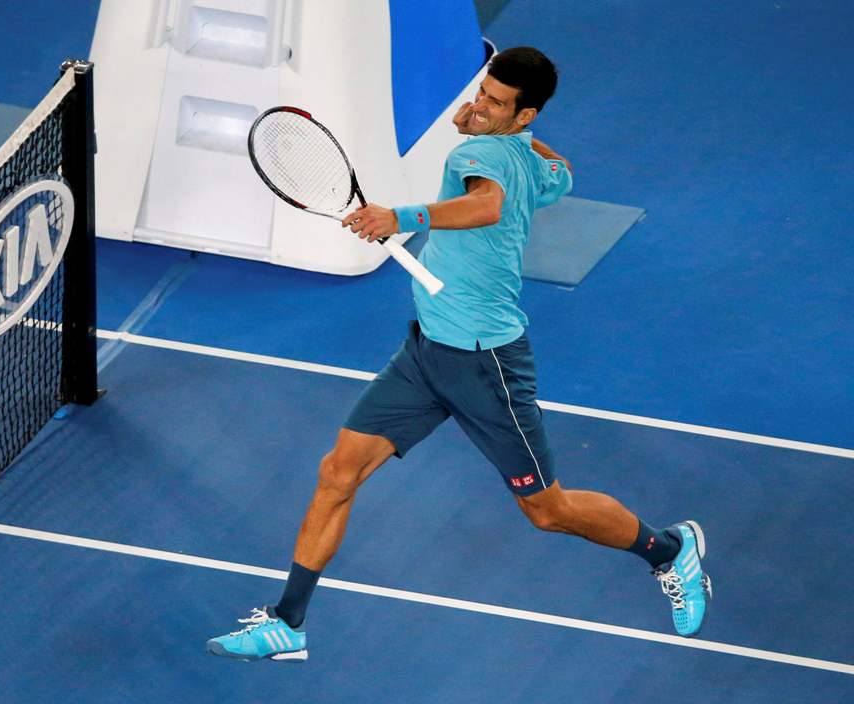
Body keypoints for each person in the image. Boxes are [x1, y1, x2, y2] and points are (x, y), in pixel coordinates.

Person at [206, 46, 711, 663]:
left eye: (497, 103)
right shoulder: (528, 156)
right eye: (482, 92)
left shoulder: (477, 156)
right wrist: (502, 125)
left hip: (485, 365)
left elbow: (485, 205)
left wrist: (401, 214)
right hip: (425, 355)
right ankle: (289, 621)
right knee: (338, 472)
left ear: (524, 115)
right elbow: (564, 172)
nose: (480, 106)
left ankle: (669, 549)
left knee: (547, 510)